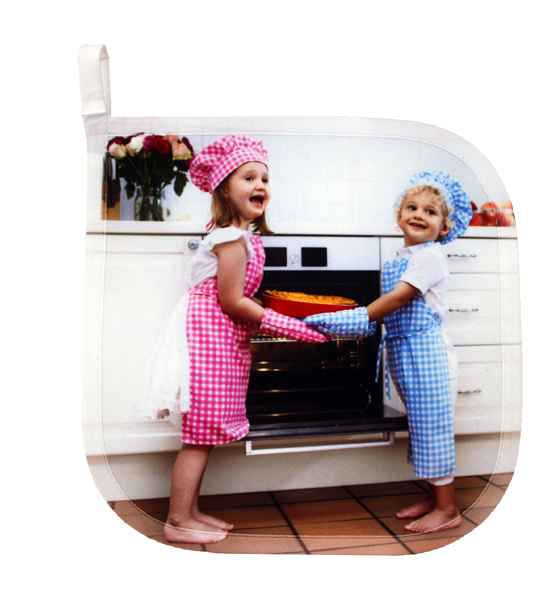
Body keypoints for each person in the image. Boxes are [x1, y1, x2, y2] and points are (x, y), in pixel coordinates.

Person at [139, 135, 328, 544]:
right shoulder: (230, 238)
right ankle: (177, 520)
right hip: (209, 339)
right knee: (198, 437)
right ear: (225, 188)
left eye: (265, 178)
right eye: (248, 177)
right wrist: (295, 328)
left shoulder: (242, 237)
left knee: (202, 435)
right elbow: (232, 301)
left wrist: (274, 312)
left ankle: (190, 512)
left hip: (220, 340)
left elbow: (239, 297)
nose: (260, 184)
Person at [304, 171, 472, 534]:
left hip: (426, 353)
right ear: (399, 216)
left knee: (433, 428)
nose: (419, 215)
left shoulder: (430, 256)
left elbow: (397, 299)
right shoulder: (402, 257)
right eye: (412, 207)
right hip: (405, 351)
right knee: (421, 425)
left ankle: (448, 509)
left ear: (444, 227)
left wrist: (350, 319)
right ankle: (434, 499)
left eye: (430, 212)